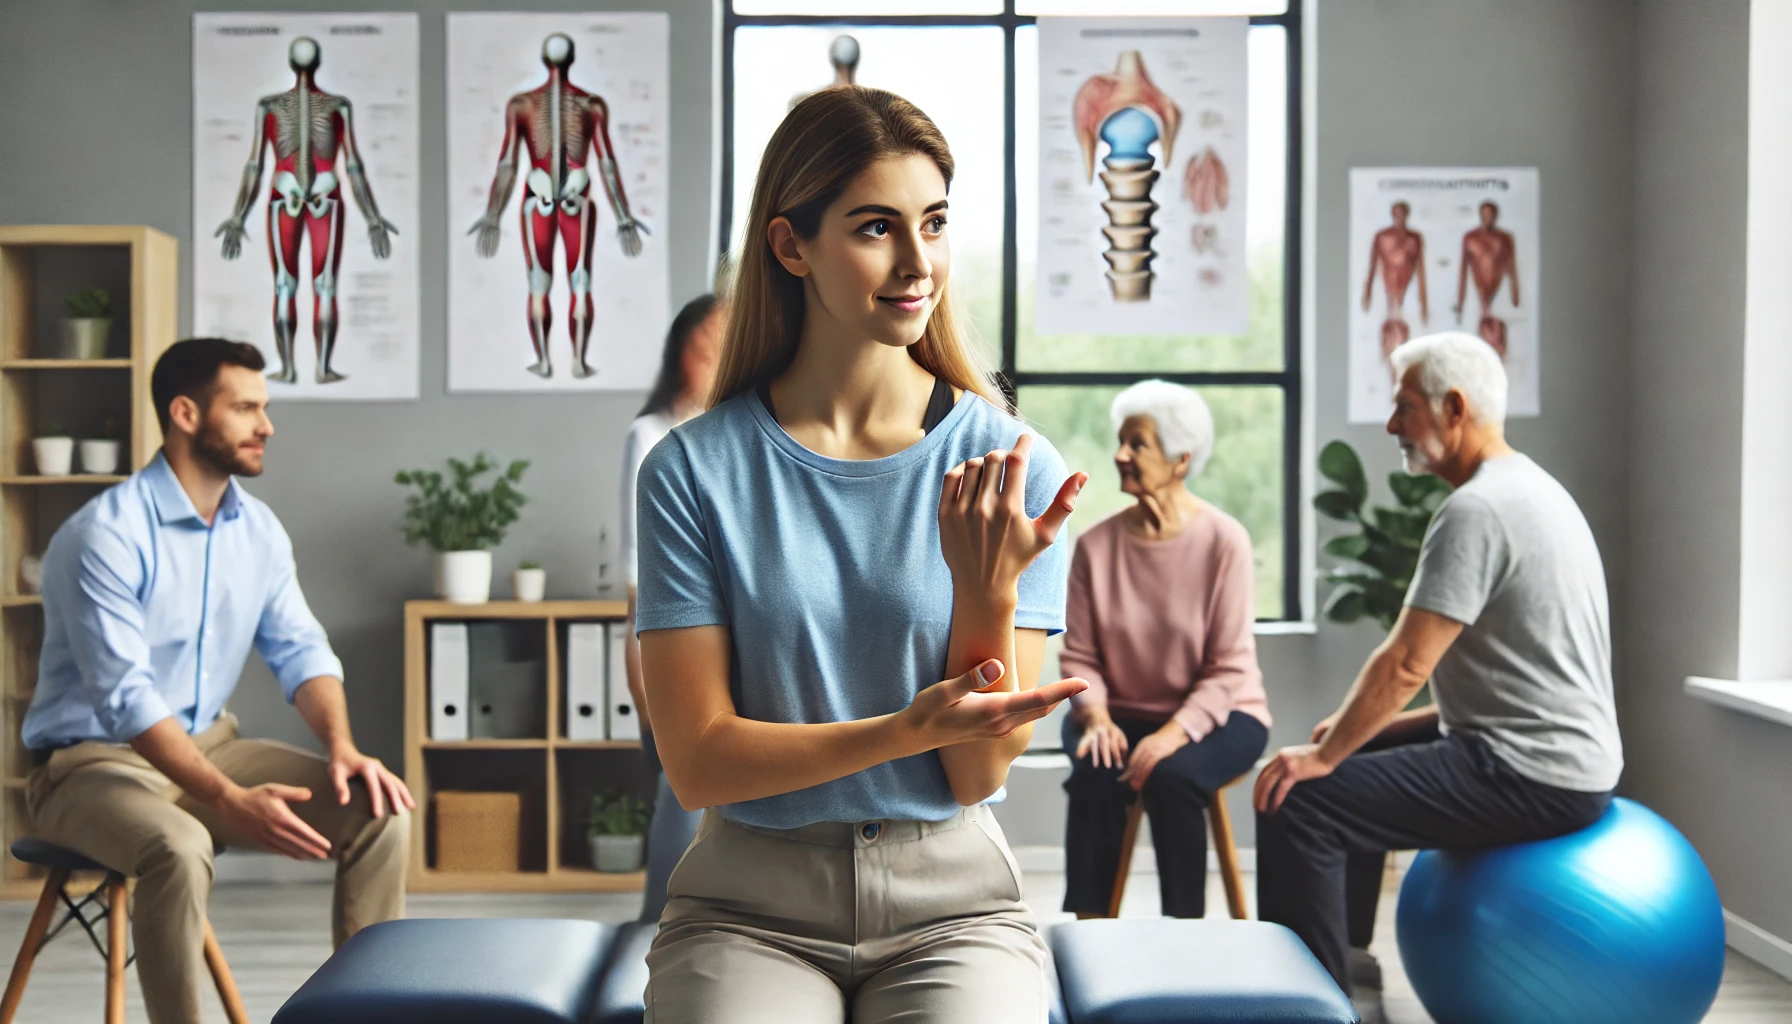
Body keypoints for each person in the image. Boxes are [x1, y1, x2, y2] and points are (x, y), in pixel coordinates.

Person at [634, 85, 1089, 1023]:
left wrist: (986, 593)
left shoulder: (1014, 467)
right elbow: (701, 764)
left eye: (934, 223)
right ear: (791, 245)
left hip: (954, 908)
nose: (918, 262)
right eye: (877, 227)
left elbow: (977, 775)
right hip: (747, 908)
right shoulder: (692, 469)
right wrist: (904, 732)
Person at [21, 338, 413, 1024]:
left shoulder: (256, 531)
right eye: (246, 408)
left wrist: (343, 747)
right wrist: (230, 798)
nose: (267, 425)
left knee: (381, 812)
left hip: (210, 743)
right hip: (87, 767)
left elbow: (302, 650)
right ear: (185, 414)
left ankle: (364, 1013)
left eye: (265, 407)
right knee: (178, 845)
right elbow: (127, 700)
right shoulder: (103, 537)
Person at [1252, 332, 1621, 1012]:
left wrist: (1328, 753)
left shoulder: (1477, 510)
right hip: (1561, 760)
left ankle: (1307, 1003)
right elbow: (1529, 681)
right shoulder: (1535, 491)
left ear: (1454, 407)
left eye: (1404, 408)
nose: (1392, 425)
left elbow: (1406, 661)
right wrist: (1349, 739)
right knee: (1341, 753)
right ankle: (1353, 970)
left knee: (1297, 797)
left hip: (1532, 774)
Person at [1059, 380, 1269, 920]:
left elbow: (1228, 669)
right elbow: (1079, 656)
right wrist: (1098, 718)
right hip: (1118, 712)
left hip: (1221, 715)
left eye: (1138, 444)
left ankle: (1186, 938)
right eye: (1121, 440)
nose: (1120, 454)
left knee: (1173, 778)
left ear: (1181, 460)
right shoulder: (1095, 546)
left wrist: (1169, 738)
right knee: (1095, 772)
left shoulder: (1225, 541)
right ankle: (1089, 933)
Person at [619, 292, 724, 923]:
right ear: (677, 354)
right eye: (704, 346)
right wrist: (644, 686)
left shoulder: (737, 434)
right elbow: (639, 577)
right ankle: (652, 925)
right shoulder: (652, 437)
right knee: (679, 787)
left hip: (726, 639)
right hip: (666, 632)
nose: (715, 359)